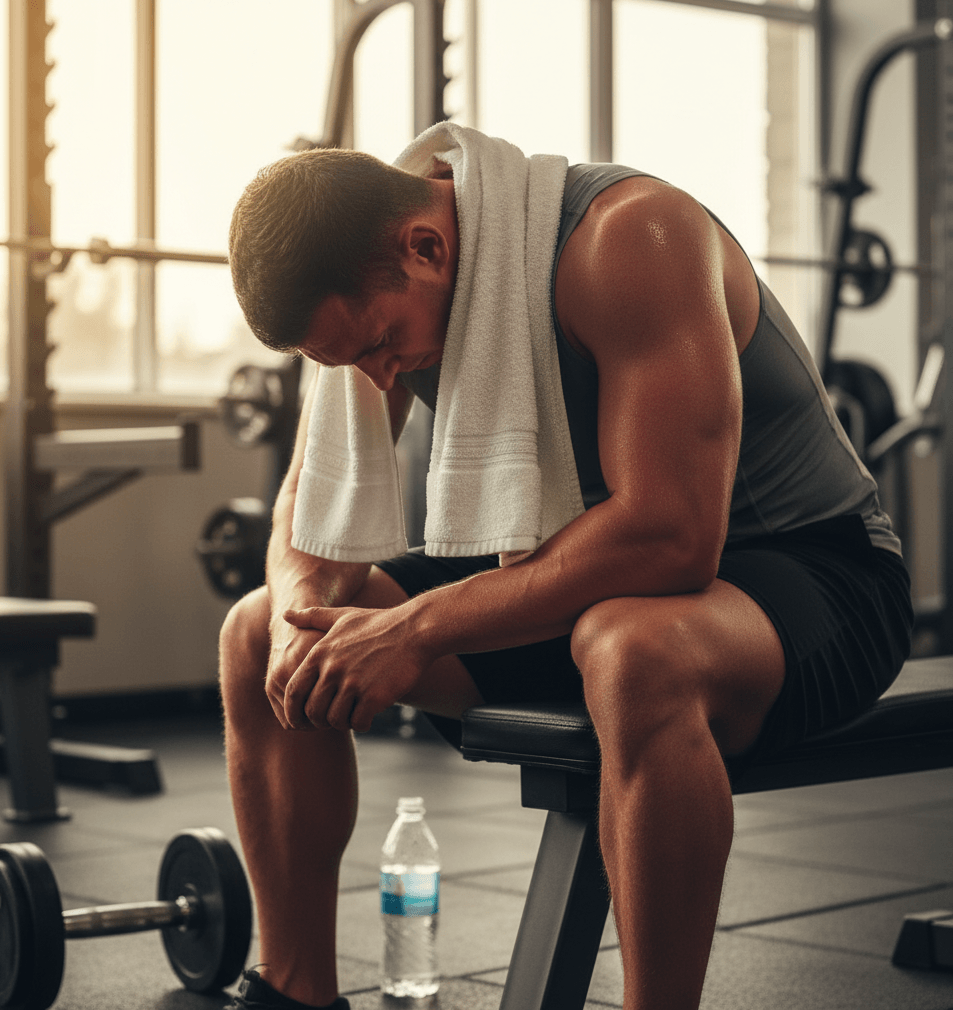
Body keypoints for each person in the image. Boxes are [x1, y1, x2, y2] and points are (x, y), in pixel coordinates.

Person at [219, 124, 912, 1010]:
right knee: (256, 631)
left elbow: (671, 537)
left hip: (813, 576)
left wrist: (414, 626)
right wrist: (299, 622)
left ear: (425, 246)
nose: (376, 374)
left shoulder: (629, 240)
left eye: (380, 347)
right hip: (583, 588)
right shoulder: (378, 296)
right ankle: (294, 989)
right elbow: (307, 517)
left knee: (631, 647)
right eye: (352, 361)